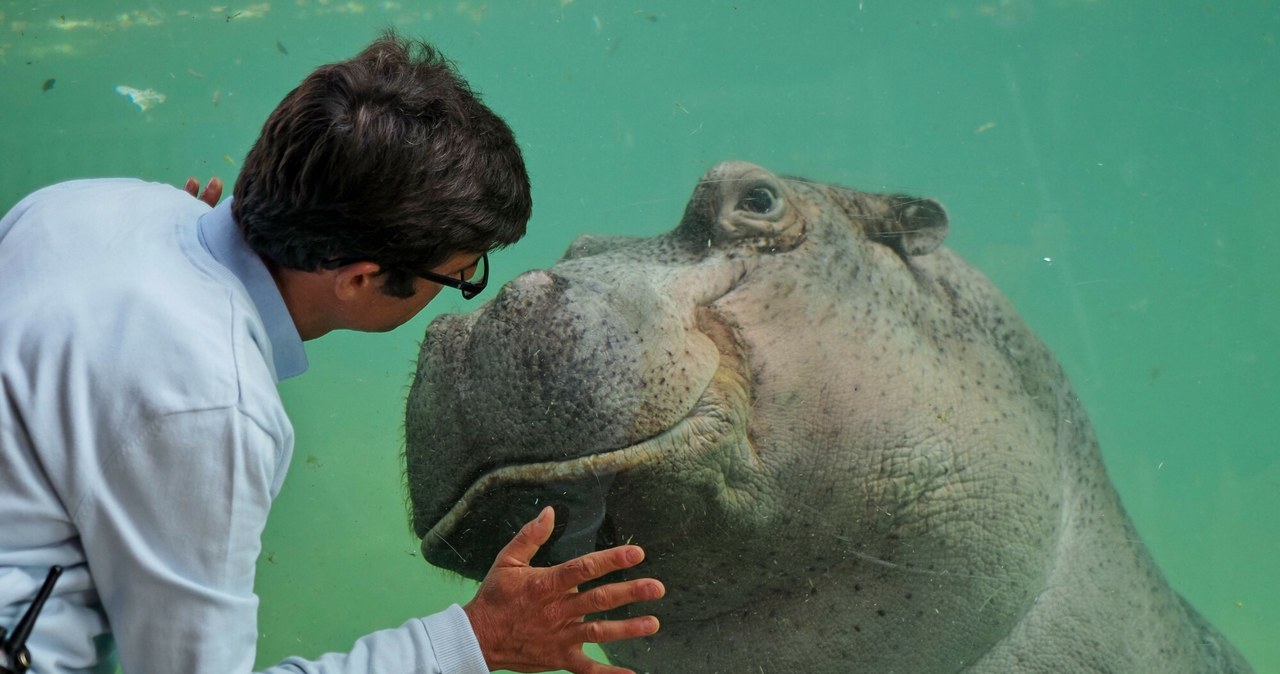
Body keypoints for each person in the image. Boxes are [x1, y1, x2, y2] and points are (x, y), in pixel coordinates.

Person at [0, 32, 663, 674]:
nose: (463, 291)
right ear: (358, 280)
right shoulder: (207, 405)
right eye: (461, 276)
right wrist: (473, 642)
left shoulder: (78, 207)